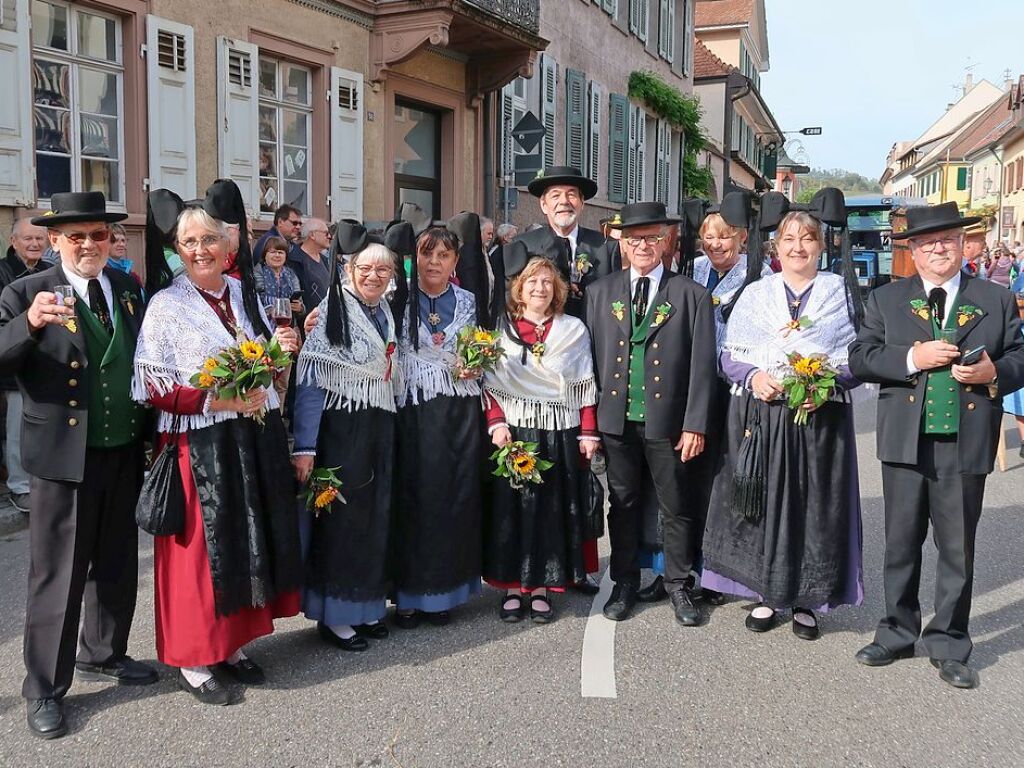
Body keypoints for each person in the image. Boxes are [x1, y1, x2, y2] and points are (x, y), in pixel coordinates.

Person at [134, 182, 302, 706]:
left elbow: (257, 362)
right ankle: (193, 655)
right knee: (200, 555)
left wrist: (280, 352)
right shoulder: (165, 304)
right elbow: (153, 387)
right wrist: (222, 401)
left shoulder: (239, 295)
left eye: (209, 239)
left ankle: (230, 644)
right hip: (198, 447)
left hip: (246, 438)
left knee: (242, 540)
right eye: (190, 242)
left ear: (228, 246)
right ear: (176, 251)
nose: (201, 250)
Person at [850, 201, 1024, 689]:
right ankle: (897, 632)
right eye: (928, 243)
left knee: (957, 548)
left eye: (947, 239)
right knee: (901, 542)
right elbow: (861, 358)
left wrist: (996, 374)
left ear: (962, 245)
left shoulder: (994, 298)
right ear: (913, 252)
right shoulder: (887, 298)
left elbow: (1019, 355)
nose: (938, 248)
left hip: (966, 439)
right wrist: (912, 356)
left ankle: (949, 641)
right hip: (906, 439)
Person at [0, 192, 154, 739]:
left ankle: (104, 652)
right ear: (56, 241)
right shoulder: (25, 292)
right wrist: (29, 326)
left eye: (98, 234)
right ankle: (43, 686)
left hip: (123, 447)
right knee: (58, 574)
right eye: (77, 236)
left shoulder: (128, 288)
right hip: (62, 457)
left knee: (115, 560)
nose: (90, 244)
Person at [701, 189, 866, 641]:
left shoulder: (841, 294)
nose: (797, 247)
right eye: (788, 238)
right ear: (775, 246)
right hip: (764, 416)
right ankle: (768, 594)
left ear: (821, 246)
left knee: (813, 507)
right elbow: (728, 355)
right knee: (766, 503)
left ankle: (808, 600)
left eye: (807, 239)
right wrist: (754, 375)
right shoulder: (757, 294)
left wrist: (828, 383)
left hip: (820, 419)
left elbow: (859, 357)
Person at [635, 192, 772, 604]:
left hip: (731, 391)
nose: (715, 245)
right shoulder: (689, 271)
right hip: (685, 389)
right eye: (709, 237)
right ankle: (670, 568)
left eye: (725, 237)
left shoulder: (758, 278)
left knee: (718, 484)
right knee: (675, 483)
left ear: (743, 238)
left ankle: (713, 571)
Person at [585, 201, 717, 625]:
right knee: (622, 502)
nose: (643, 245)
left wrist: (695, 423)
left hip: (670, 422)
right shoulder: (600, 292)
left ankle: (679, 584)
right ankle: (624, 582)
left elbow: (702, 367)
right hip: (616, 421)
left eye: (652, 237)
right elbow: (587, 362)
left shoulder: (692, 295)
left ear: (666, 242)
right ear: (621, 242)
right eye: (634, 238)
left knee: (675, 505)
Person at [292, 231, 402, 652]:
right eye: (366, 268)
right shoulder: (330, 311)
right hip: (342, 429)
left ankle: (367, 605)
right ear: (349, 269)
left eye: (382, 269)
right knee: (342, 523)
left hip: (378, 424)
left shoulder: (383, 311)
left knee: (375, 518)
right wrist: (305, 446)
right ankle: (336, 615)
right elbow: (312, 382)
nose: (373, 276)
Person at [483, 255, 603, 622]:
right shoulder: (501, 330)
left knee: (550, 510)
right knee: (513, 510)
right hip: (515, 432)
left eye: (547, 283)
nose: (540, 288)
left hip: (559, 430)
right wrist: (497, 423)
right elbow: (489, 385)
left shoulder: (573, 330)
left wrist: (588, 431)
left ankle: (539, 587)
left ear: (557, 291)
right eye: (533, 282)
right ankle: (512, 587)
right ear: (520, 289)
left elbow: (585, 384)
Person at [392, 225, 485, 627]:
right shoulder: (398, 299)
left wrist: (476, 365)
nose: (434, 262)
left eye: (443, 255)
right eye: (427, 254)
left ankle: (444, 593)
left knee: (452, 498)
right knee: (415, 498)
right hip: (412, 411)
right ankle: (409, 594)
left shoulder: (467, 300)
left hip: (457, 413)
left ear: (455, 261)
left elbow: (481, 350)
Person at [501, 166, 611, 321]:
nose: (564, 202)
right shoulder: (524, 246)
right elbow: (511, 300)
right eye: (555, 195)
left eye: (571, 195)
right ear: (544, 205)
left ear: (582, 203)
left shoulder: (605, 246)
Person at [0, 219, 49, 514]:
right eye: (28, 239)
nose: (34, 244)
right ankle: (19, 486)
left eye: (39, 239)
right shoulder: (2, 272)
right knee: (17, 427)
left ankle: (40, 482)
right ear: (13, 240)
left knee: (43, 425)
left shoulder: (47, 271)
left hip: (46, 360)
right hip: (14, 359)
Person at [287, 217, 333, 314]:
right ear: (312, 235)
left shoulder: (326, 261)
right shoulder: (294, 260)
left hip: (326, 321)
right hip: (306, 323)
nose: (329, 236)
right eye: (325, 233)